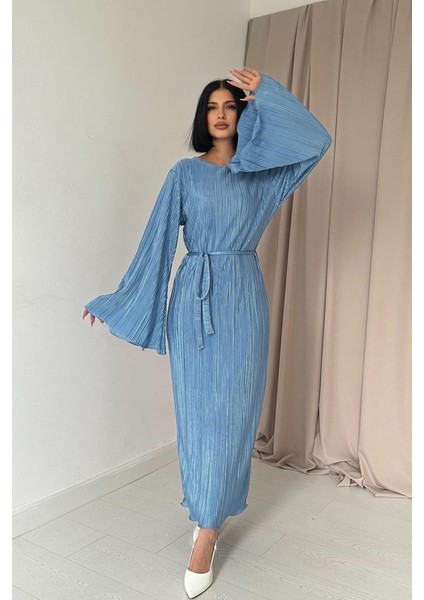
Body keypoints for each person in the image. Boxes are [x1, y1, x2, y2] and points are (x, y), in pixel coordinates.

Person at [82, 67, 332, 597]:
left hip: (243, 299)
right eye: (213, 106)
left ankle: (211, 527)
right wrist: (120, 301)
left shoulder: (264, 175)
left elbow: (316, 141)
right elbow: (156, 240)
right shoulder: (184, 174)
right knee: (198, 417)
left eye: (231, 105)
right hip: (193, 298)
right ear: (203, 117)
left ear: (244, 114)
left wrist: (268, 92)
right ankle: (204, 518)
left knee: (235, 414)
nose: (221, 114)